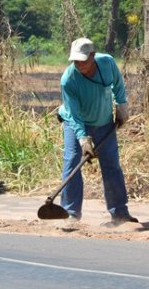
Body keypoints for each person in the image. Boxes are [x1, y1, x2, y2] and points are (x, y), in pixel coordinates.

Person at [58, 37, 137, 226]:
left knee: (111, 165)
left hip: (104, 122)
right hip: (76, 123)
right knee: (72, 162)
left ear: (92, 56)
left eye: (83, 60)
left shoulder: (107, 62)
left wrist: (122, 106)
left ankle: (120, 213)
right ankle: (70, 214)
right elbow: (74, 115)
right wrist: (83, 139)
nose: (79, 65)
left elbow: (117, 84)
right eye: (75, 61)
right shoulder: (68, 80)